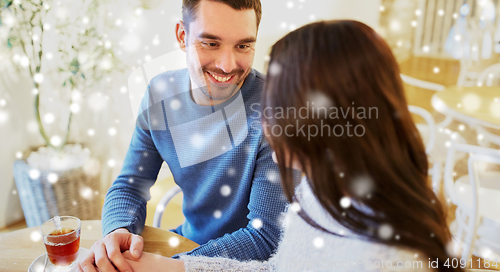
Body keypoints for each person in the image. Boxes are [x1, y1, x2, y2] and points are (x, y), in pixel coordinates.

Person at [115, 20, 463, 272]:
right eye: (210, 42)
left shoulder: (387, 258)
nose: (266, 114)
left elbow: (265, 243)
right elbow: (283, 267)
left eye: (277, 98)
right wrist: (167, 267)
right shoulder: (323, 187)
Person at [79, 0, 297, 272]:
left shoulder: (278, 109)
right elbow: (131, 184)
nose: (227, 65)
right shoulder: (159, 95)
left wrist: (172, 267)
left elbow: (266, 238)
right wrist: (119, 230)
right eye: (210, 43)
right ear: (182, 36)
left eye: (243, 46)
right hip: (187, 246)